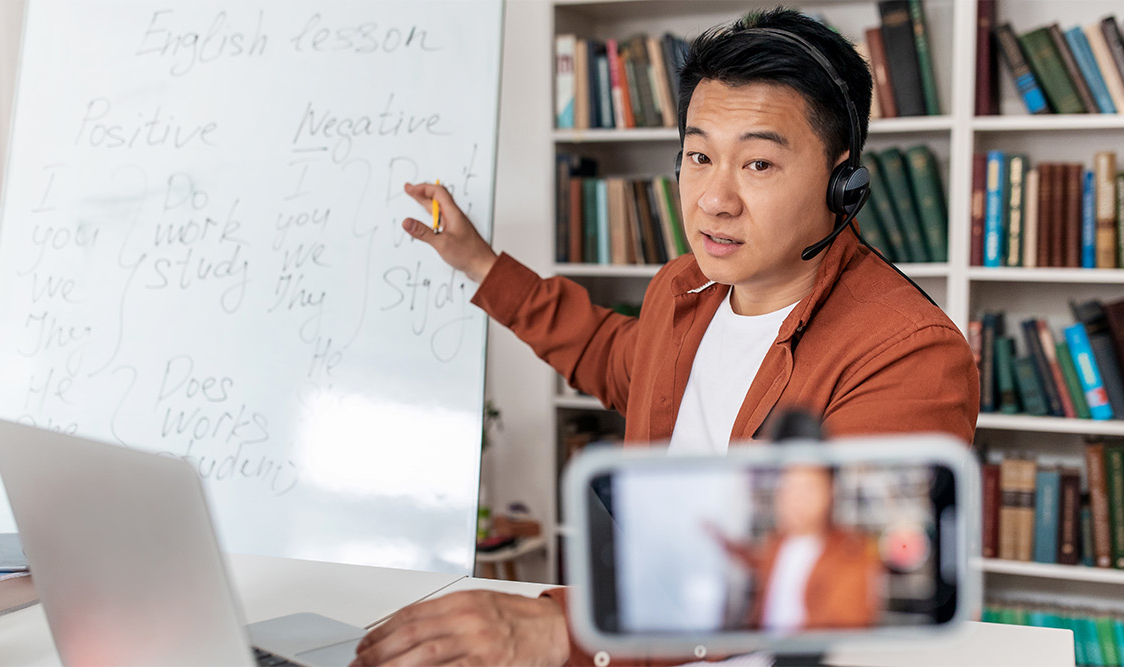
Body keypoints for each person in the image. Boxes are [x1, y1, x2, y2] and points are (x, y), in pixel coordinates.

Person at [351, 8, 977, 666]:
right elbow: (606, 354)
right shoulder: (682, 290)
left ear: (841, 182)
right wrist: (479, 263)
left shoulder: (910, 353)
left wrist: (560, 629)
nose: (713, 198)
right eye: (699, 156)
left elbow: (816, 570)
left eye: (758, 164)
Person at [709, 465, 885, 633]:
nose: (796, 500)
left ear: (830, 492)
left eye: (808, 489)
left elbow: (846, 632)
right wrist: (724, 543)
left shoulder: (851, 554)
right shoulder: (779, 542)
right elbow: (759, 561)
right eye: (788, 488)